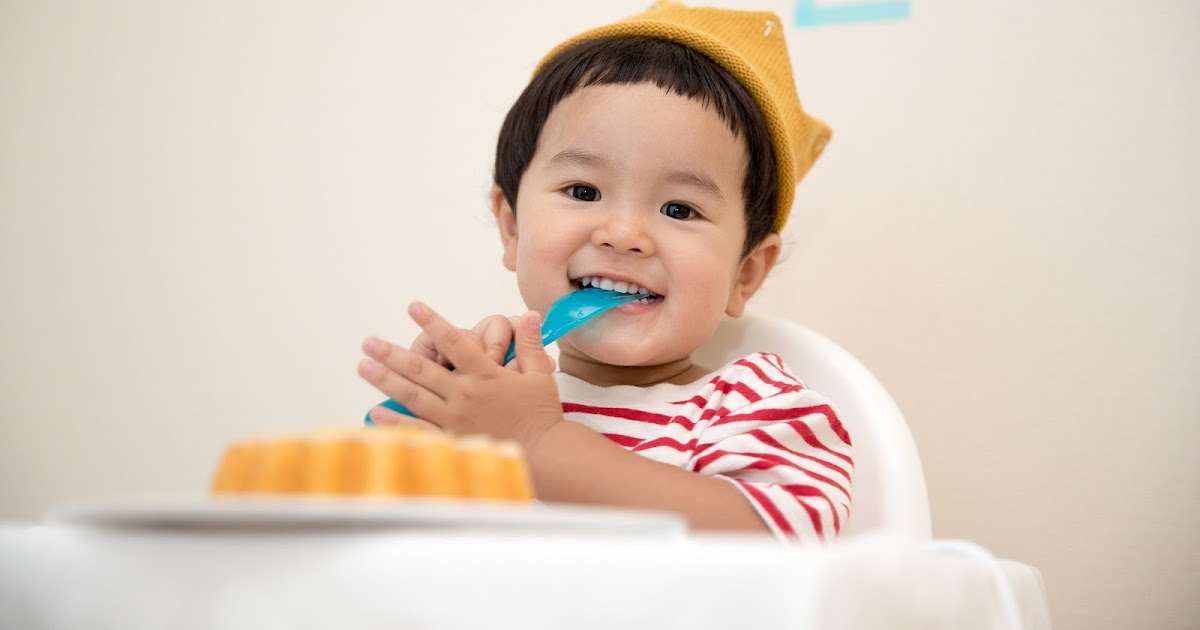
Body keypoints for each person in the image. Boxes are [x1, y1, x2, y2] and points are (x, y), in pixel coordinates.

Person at [356, 1, 852, 542]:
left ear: (745, 274)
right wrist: (433, 430)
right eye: (583, 191)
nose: (621, 234)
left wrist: (536, 442)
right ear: (513, 228)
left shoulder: (756, 405)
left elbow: (780, 551)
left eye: (679, 209)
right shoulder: (490, 399)